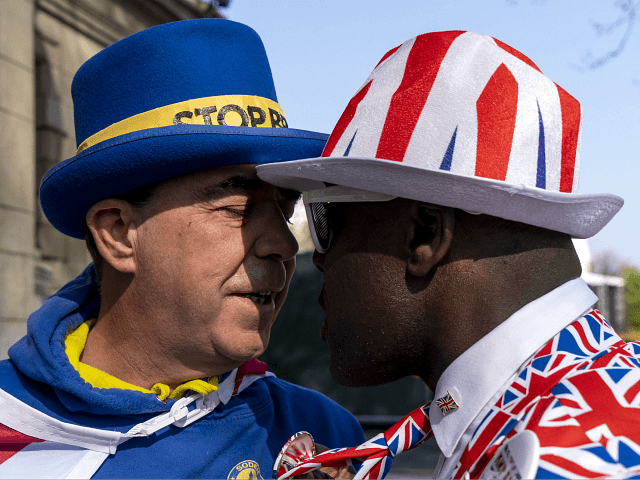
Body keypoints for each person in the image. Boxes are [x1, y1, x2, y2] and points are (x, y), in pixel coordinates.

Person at [258, 31, 640, 479]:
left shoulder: (562, 457)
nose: (314, 257)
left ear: (424, 235)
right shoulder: (570, 404)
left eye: (326, 220)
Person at [0, 19, 364, 479]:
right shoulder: (11, 433)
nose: (284, 244)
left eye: (285, 209)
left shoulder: (326, 436)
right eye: (237, 207)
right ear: (117, 232)